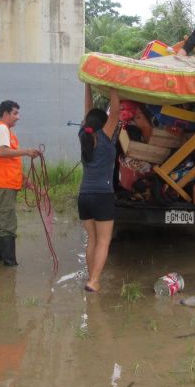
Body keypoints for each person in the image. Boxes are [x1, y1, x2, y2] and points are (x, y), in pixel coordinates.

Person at [0, 100, 40, 266]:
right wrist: (26, 152)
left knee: (0, 222)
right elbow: (2, 152)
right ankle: (9, 266)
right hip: (3, 185)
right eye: (15, 113)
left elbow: (8, 162)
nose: (18, 117)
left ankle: (1, 262)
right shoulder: (1, 128)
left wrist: (25, 180)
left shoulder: (5, 131)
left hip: (3, 184)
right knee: (7, 224)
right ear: (5, 114)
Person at [78, 87, 121, 292]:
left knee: (92, 240)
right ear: (103, 124)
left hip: (84, 196)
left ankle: (92, 278)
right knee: (104, 241)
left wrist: (87, 85)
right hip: (102, 196)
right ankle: (94, 281)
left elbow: (88, 109)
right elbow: (116, 112)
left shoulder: (83, 136)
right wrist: (113, 87)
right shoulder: (104, 137)